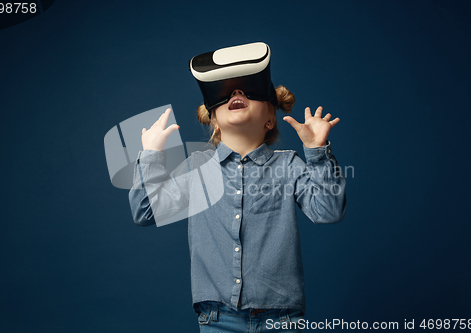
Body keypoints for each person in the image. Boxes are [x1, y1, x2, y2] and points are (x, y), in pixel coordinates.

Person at [129, 42, 346, 333]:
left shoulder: (289, 165)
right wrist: (152, 156)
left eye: (247, 90)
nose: (236, 93)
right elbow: (145, 212)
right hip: (217, 318)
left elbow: (329, 211)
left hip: (281, 318)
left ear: (270, 119)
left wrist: (317, 151)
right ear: (215, 121)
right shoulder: (198, 168)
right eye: (227, 93)